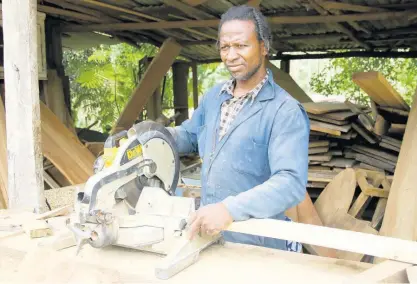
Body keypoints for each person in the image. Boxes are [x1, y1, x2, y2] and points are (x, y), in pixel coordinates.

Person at [167, 5, 310, 252]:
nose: (230, 56)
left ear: (264, 47)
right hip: (212, 237)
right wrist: (155, 135)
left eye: (241, 46)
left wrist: (228, 209)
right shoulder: (215, 97)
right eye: (225, 47)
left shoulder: (284, 110)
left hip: (258, 243)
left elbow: (290, 183)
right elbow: (190, 135)